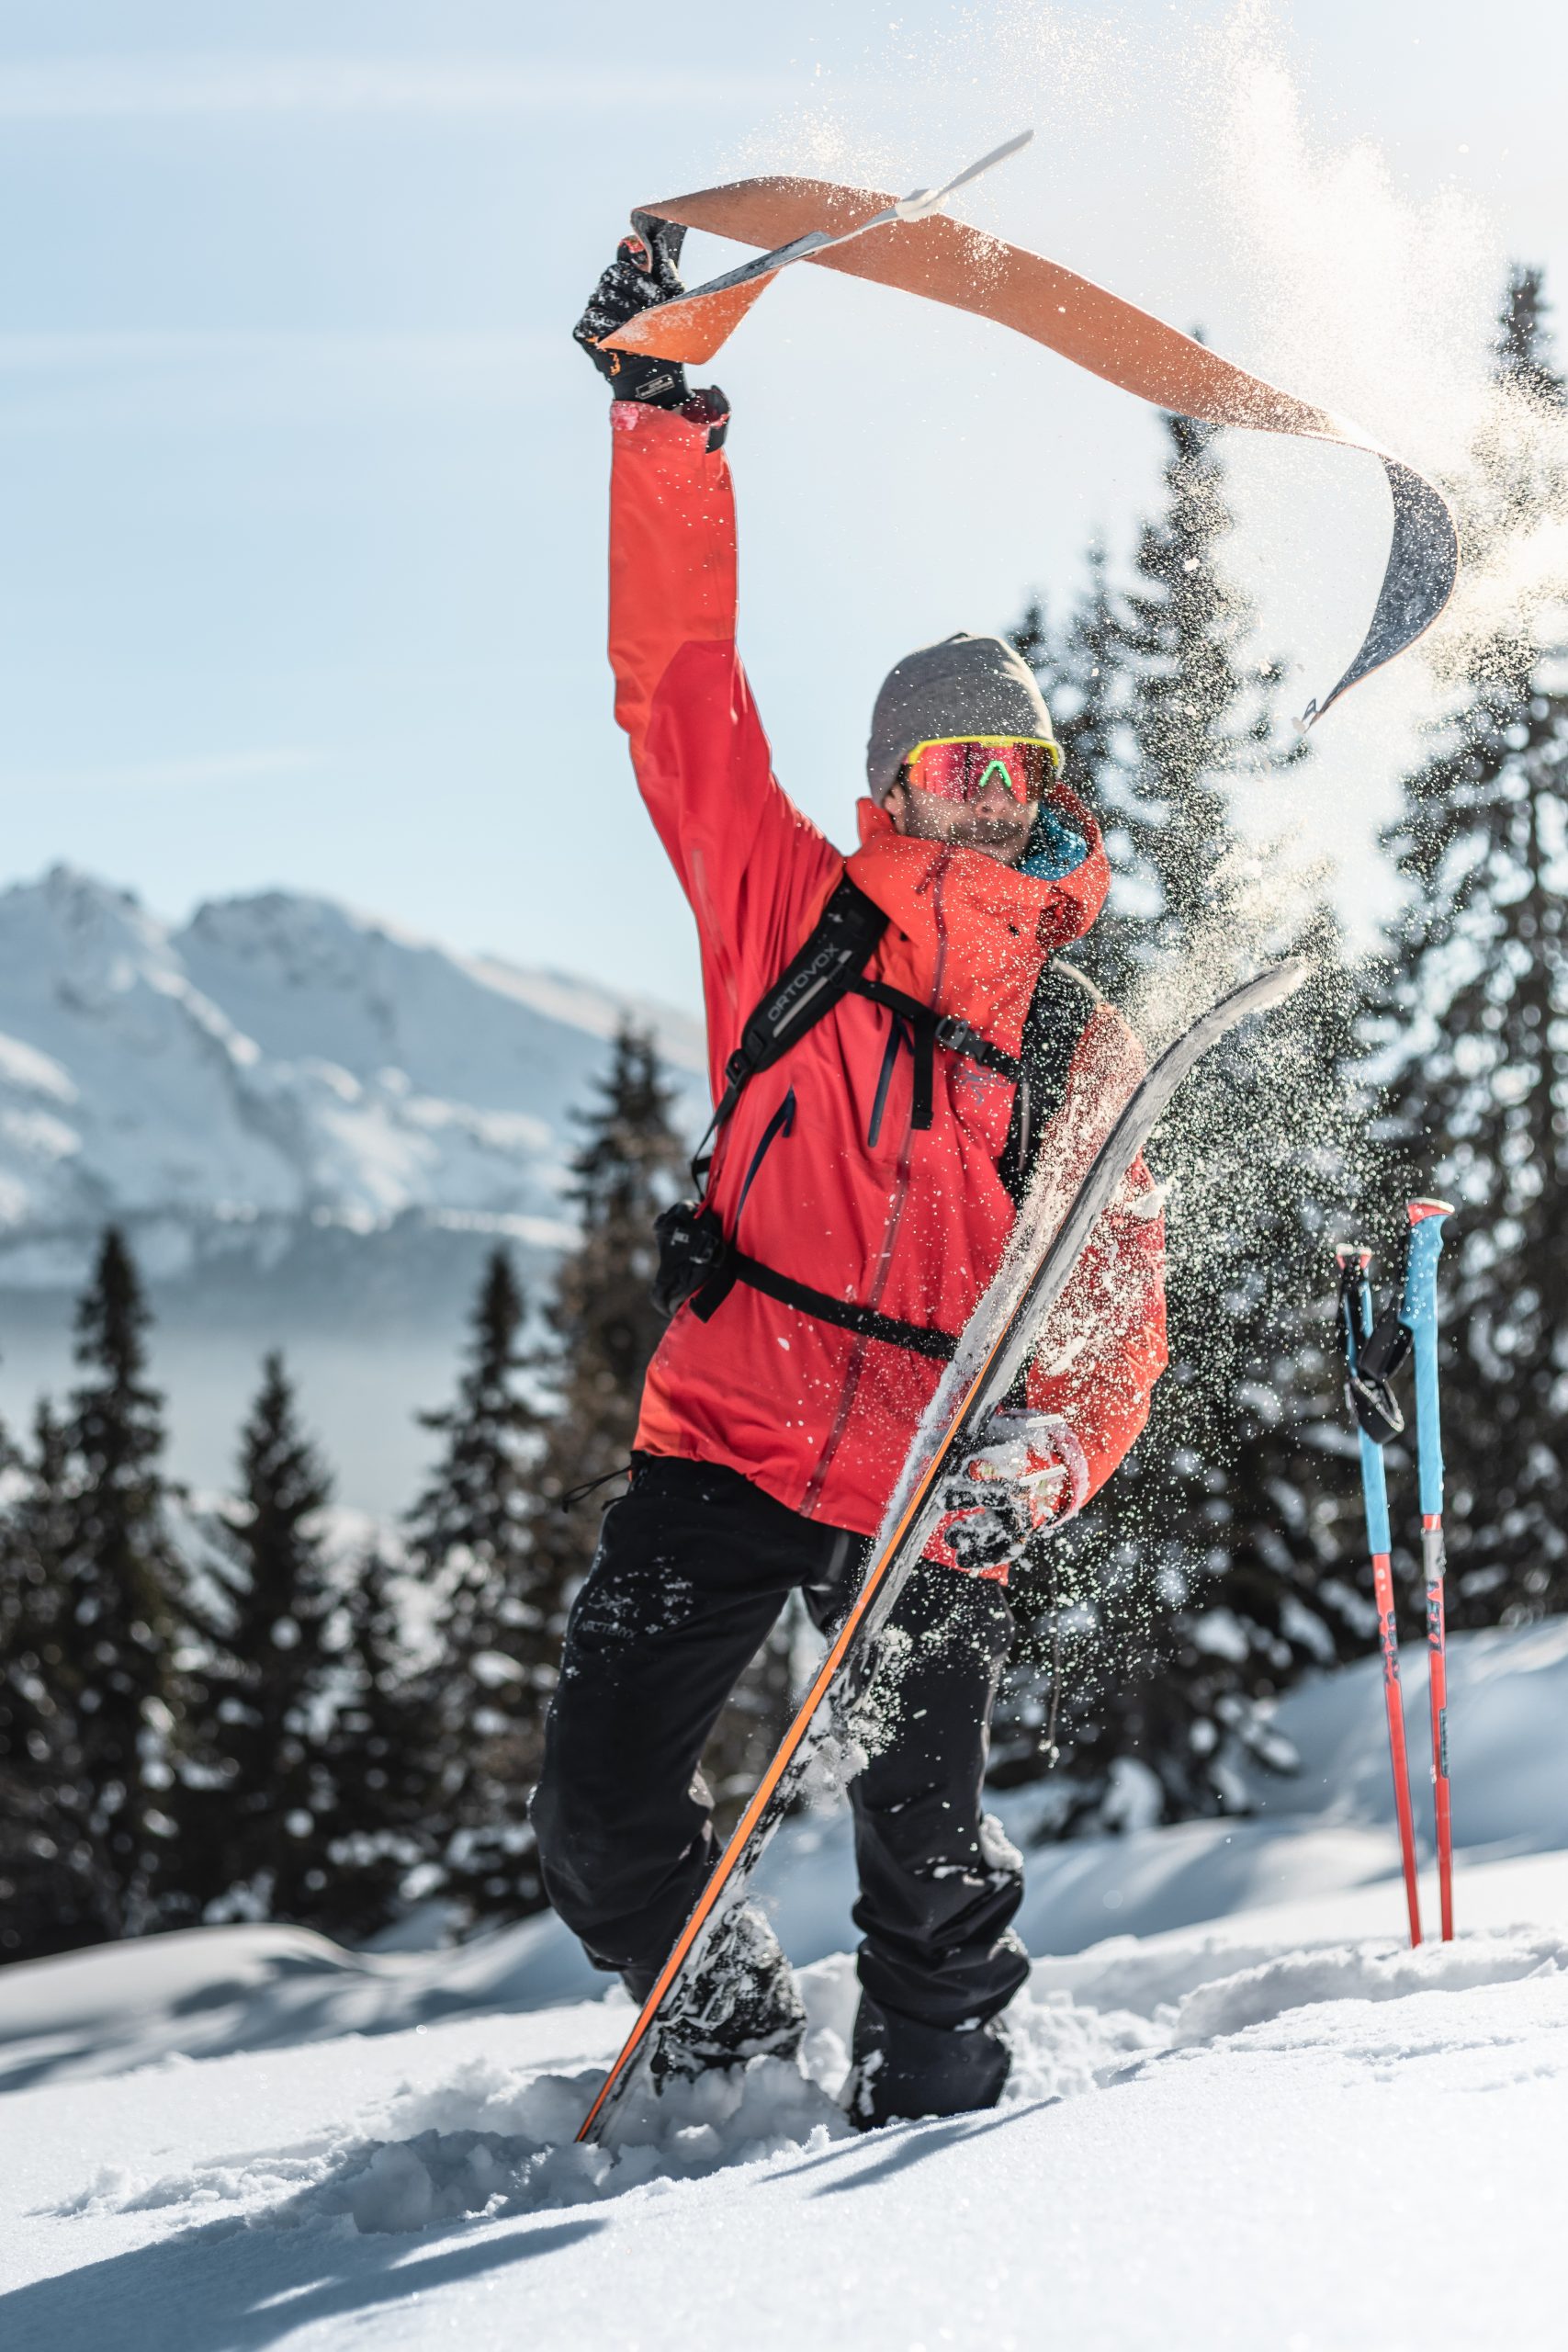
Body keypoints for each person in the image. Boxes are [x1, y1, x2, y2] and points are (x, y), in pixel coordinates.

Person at [531, 230, 1168, 2129]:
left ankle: (935, 2128)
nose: (987, 787)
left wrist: (1036, 1461)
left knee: (924, 1842)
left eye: (1016, 763)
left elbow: (1114, 1319)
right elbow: (677, 684)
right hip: (722, 1434)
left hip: (921, 1477)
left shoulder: (1076, 1041)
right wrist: (664, 415)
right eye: (951, 759)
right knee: (596, 1811)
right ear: (891, 784)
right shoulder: (783, 914)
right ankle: (723, 2034)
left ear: (1046, 793)